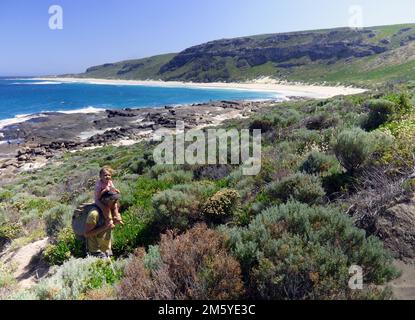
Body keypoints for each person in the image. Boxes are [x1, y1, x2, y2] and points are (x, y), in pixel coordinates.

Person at [84, 191, 120, 258]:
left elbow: (108, 228)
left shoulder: (109, 211)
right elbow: (87, 234)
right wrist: (105, 227)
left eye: (116, 200)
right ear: (105, 200)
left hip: (107, 249)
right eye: (113, 200)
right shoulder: (94, 214)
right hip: (96, 251)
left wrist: (114, 222)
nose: (115, 202)